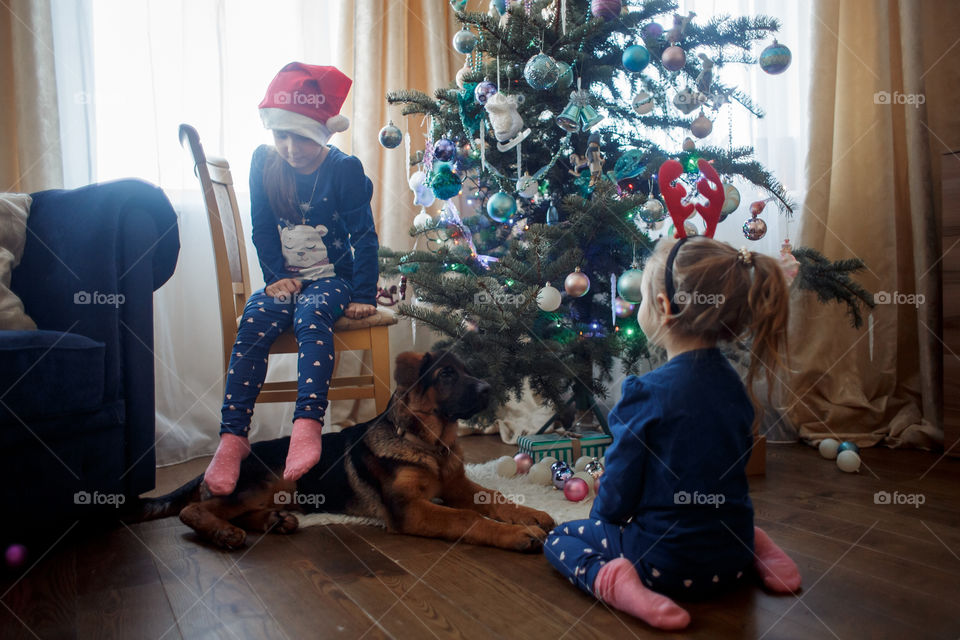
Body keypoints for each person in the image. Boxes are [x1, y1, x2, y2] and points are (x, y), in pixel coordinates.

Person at [544, 236, 801, 631]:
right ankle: (758, 548)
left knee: (560, 538)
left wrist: (603, 522)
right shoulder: (735, 387)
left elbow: (618, 491)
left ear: (663, 308)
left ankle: (615, 584)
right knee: (727, 517)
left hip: (663, 566)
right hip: (730, 559)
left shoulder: (644, 393)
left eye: (643, 300)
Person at [203, 62, 379, 495]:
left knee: (312, 316)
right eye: (281, 135)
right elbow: (261, 228)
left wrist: (363, 294)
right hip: (286, 280)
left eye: (300, 136)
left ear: (322, 133)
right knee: (255, 321)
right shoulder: (264, 163)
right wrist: (275, 278)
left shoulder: (344, 169)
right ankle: (233, 438)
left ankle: (307, 424)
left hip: (334, 280)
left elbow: (364, 236)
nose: (290, 147)